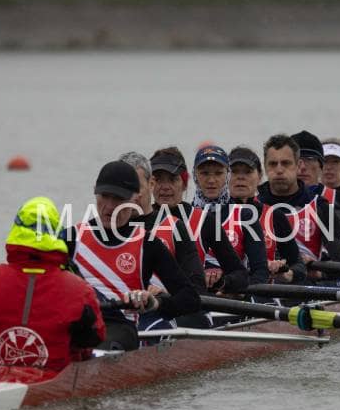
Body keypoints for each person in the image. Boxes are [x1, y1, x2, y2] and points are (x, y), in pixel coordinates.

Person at [0, 197, 106, 375]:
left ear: (16, 231)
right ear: (56, 235)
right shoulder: (80, 290)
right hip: (53, 382)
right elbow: (94, 338)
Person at [66, 161, 200, 341]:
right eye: (105, 196)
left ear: (134, 198)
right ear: (95, 192)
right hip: (79, 327)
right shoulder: (70, 238)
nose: (110, 206)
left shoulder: (147, 244)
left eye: (118, 199)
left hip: (122, 331)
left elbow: (190, 298)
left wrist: (155, 303)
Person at [149, 146, 248, 295]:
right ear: (150, 184)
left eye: (172, 179)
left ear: (184, 184)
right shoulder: (137, 222)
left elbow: (240, 275)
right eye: (158, 180)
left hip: (190, 303)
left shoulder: (204, 222)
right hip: (148, 303)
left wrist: (221, 282)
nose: (165, 187)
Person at [257, 134, 340, 283]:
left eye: (286, 163)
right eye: (273, 164)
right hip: (261, 287)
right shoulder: (250, 207)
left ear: (298, 166)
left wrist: (318, 273)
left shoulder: (320, 207)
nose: (279, 170)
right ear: (265, 167)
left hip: (305, 287)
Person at [119, 151, 206, 295]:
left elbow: (197, 288)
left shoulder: (174, 228)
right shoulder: (103, 229)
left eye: (136, 188)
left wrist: (166, 294)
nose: (130, 195)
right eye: (124, 189)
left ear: (151, 184)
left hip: (163, 304)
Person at [192, 144, 269, 286]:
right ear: (195, 176)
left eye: (218, 173)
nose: (211, 180)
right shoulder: (183, 216)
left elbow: (260, 272)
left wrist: (231, 287)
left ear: (227, 176)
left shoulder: (245, 216)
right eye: (204, 173)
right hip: (195, 294)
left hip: (231, 294)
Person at [228, 145, 305, 284]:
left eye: (247, 172)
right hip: (225, 292)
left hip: (263, 292)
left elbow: (299, 266)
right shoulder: (212, 216)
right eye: (234, 171)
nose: (240, 177)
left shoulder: (275, 216)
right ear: (225, 176)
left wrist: (286, 273)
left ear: (259, 177)